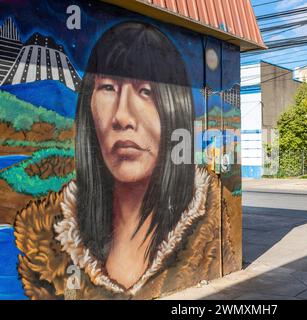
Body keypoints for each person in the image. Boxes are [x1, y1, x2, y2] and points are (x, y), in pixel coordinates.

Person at [14, 21, 229, 300]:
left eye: (146, 92)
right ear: (88, 108)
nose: (122, 116)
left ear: (175, 109)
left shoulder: (208, 236)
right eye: (107, 88)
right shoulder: (47, 254)